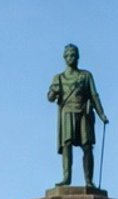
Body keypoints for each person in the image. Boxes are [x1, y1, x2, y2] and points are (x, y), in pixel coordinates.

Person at [47, 43, 109, 188]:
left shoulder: (85, 76)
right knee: (66, 144)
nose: (70, 58)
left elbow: (94, 96)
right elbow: (50, 98)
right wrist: (53, 93)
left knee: (87, 146)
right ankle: (66, 178)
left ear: (78, 57)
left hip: (83, 113)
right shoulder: (59, 78)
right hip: (67, 113)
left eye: (73, 55)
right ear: (64, 58)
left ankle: (88, 180)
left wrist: (101, 114)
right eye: (68, 55)